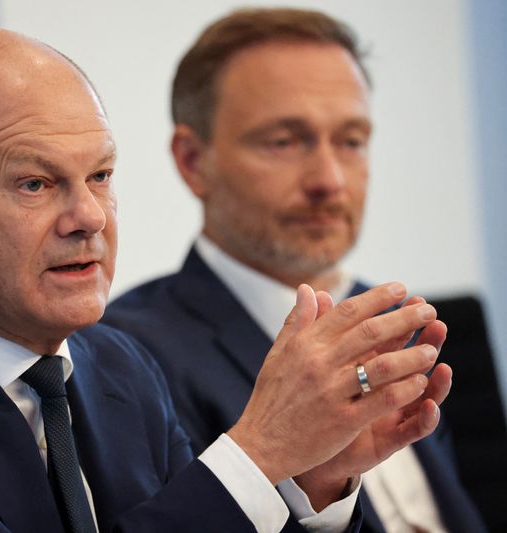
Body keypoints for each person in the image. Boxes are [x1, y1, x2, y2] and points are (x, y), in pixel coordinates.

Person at [0, 27, 448, 532]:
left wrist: (316, 478)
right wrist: (257, 453)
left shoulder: (120, 365)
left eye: (101, 176)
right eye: (35, 182)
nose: (88, 216)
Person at [103, 7, 486, 533]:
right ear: (193, 161)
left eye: (351, 140)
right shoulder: (126, 357)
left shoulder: (407, 324)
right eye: (284, 141)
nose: (329, 180)